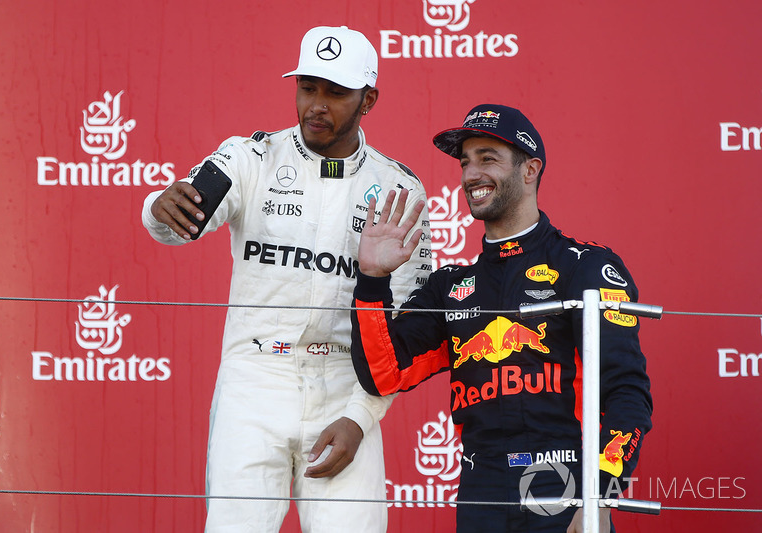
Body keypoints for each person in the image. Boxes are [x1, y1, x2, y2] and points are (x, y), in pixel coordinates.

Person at [141, 26, 431, 533]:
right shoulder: (247, 158)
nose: (316, 104)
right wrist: (158, 209)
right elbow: (179, 221)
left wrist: (361, 417)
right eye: (307, 86)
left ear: (369, 99)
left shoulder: (400, 188)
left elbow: (403, 328)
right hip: (254, 381)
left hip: (347, 388)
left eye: (336, 92)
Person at [349, 104, 652, 532]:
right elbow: (383, 374)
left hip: (566, 487)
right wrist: (373, 281)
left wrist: (601, 493)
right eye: (466, 162)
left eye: (488, 158)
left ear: (530, 170)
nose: (471, 174)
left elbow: (626, 393)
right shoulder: (449, 287)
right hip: (481, 491)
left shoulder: (585, 267)